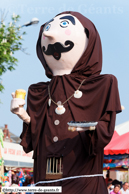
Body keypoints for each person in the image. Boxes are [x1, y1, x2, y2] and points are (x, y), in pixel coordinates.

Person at [10, 11, 121, 193]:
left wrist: (87, 127)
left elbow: (104, 131)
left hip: (82, 182)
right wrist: (24, 116)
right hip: (46, 181)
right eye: (47, 28)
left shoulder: (101, 85)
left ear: (89, 38)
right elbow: (34, 139)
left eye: (64, 25)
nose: (49, 34)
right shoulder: (38, 91)